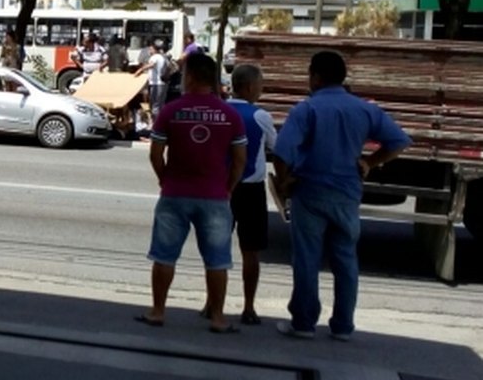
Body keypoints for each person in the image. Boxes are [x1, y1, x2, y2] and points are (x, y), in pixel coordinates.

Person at [274, 51, 410, 341]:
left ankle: (304, 323)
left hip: (309, 192)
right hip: (347, 192)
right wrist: (370, 162)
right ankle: (343, 326)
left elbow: (283, 151)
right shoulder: (364, 109)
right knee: (346, 259)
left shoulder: (306, 109)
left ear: (316, 76)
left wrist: (285, 181)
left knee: (307, 259)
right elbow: (399, 141)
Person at [135, 52, 247, 333]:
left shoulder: (171, 111)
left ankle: (158, 311)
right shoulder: (229, 115)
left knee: (164, 256)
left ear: (193, 77)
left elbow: (155, 154)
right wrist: (228, 188)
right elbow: (240, 160)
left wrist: (165, 180)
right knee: (218, 260)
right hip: (215, 196)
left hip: (175, 193)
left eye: (185, 74)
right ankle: (219, 317)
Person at [199, 64, 276, 326]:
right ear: (249, 87)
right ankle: (249, 307)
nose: (262, 89)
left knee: (216, 249)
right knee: (250, 252)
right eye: (260, 84)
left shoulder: (218, 111)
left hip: (220, 188)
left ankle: (211, 303)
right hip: (251, 190)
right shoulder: (260, 116)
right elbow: (275, 146)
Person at [134, 42, 170, 117]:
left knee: (154, 105)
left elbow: (151, 64)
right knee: (160, 105)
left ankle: (155, 124)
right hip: (163, 84)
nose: (149, 51)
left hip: (156, 84)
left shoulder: (154, 57)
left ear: (154, 50)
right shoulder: (162, 57)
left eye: (150, 49)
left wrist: (140, 70)